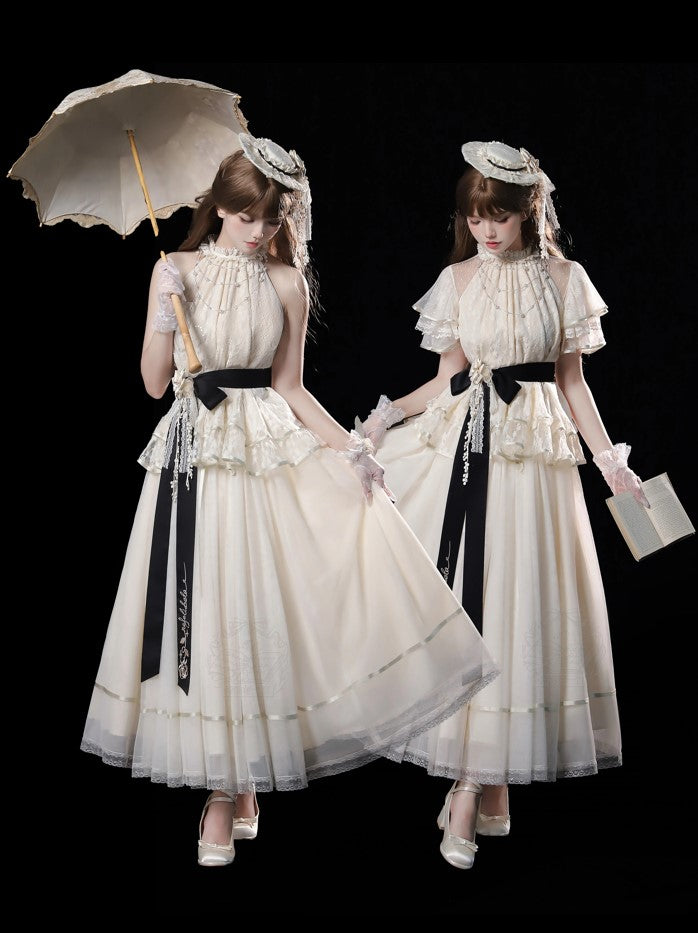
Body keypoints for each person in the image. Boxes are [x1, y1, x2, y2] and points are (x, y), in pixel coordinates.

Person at [80, 133, 496, 867]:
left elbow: (291, 388)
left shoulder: (285, 283)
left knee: (257, 607)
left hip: (265, 450)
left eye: (272, 218)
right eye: (246, 216)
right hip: (197, 457)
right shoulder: (174, 269)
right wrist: (165, 312)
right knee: (206, 608)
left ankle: (240, 781)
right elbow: (152, 383)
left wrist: (352, 450)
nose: (258, 230)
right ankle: (225, 786)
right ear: (219, 207)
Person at [359, 140, 648, 869]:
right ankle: (475, 782)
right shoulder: (459, 279)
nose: (485, 229)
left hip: (539, 460)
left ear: (529, 212)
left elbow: (572, 382)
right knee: (477, 598)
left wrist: (612, 462)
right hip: (470, 448)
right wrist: (386, 417)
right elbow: (447, 379)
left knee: (525, 605)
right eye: (474, 216)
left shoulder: (565, 278)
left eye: (499, 216)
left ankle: (483, 778)